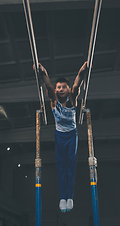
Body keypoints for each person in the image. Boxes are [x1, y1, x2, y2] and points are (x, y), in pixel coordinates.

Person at [35, 62, 87, 212]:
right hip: (59, 137)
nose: (61, 89)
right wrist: (43, 72)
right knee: (60, 168)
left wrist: (81, 72)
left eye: (64, 87)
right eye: (59, 87)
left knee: (70, 167)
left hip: (72, 136)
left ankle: (70, 197)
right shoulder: (53, 101)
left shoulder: (72, 99)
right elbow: (49, 87)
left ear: (68, 89)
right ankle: (62, 198)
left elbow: (77, 86)